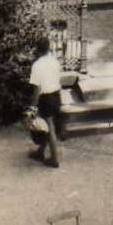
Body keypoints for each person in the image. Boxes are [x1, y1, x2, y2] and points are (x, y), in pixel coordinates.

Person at [27, 36, 64, 166]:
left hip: (45, 98)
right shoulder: (55, 62)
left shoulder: (37, 66)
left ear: (37, 49)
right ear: (49, 48)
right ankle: (41, 152)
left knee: (49, 128)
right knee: (46, 127)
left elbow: (37, 89)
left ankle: (55, 159)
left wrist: (32, 108)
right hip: (56, 95)